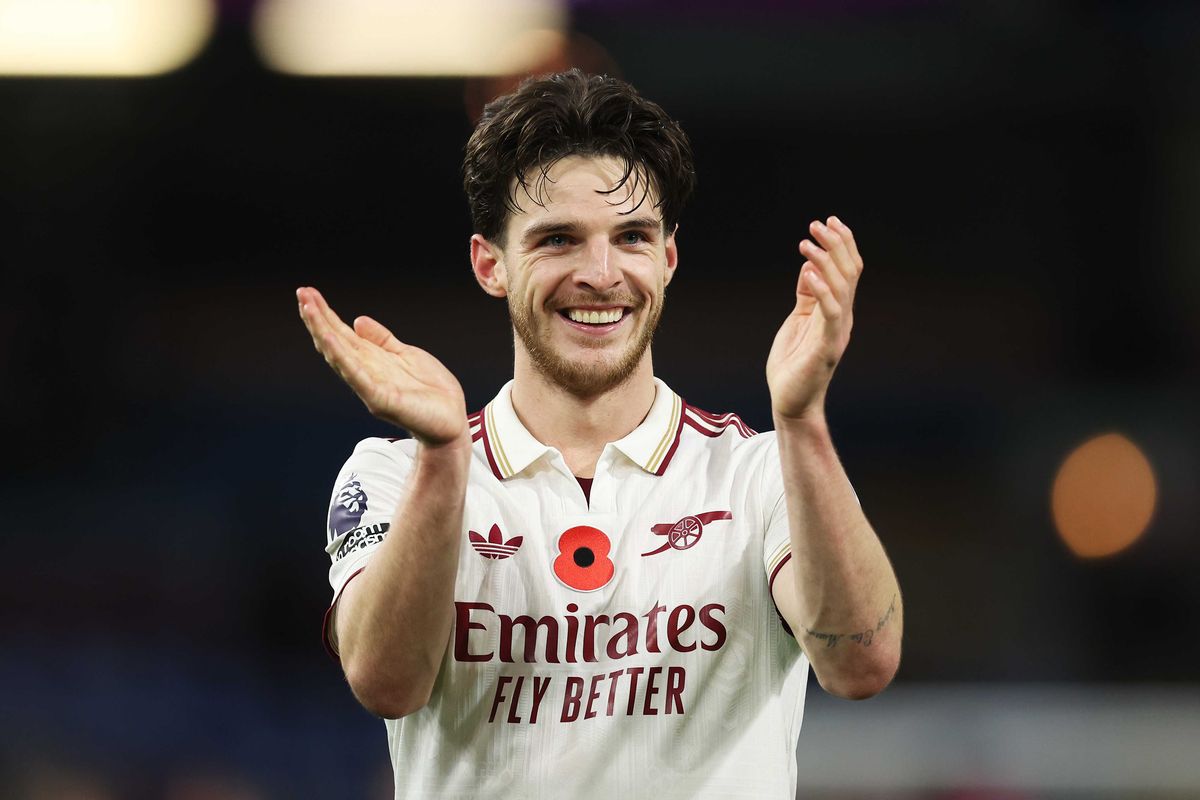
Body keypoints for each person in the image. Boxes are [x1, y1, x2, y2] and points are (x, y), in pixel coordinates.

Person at [298, 69, 901, 800]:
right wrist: (446, 456)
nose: (600, 273)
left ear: (668, 259)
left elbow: (860, 665)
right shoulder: (393, 474)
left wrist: (802, 420)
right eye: (558, 239)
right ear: (491, 264)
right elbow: (386, 683)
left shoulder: (761, 473)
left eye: (633, 237)